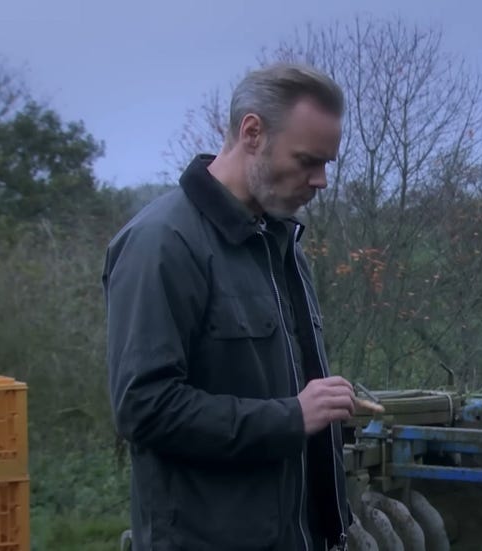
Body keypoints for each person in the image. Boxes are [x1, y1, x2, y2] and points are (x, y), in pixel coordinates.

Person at [103, 63, 363, 550]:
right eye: (308, 160)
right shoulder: (161, 243)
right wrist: (290, 417)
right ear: (252, 132)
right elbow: (144, 408)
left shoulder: (283, 244)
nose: (321, 180)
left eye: (327, 163)